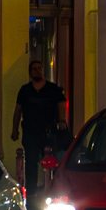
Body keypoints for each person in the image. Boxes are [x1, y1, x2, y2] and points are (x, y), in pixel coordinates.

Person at [10, 60, 66, 192]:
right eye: (34, 69)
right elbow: (18, 110)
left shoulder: (52, 89)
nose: (37, 71)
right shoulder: (25, 90)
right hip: (31, 132)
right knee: (30, 163)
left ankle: (53, 190)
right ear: (30, 72)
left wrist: (61, 120)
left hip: (48, 131)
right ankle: (32, 192)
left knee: (52, 162)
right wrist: (14, 130)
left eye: (40, 68)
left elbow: (61, 104)